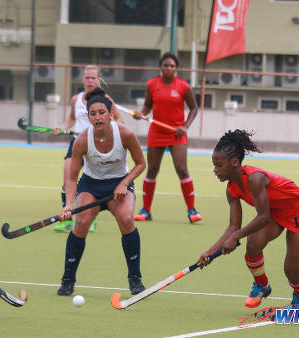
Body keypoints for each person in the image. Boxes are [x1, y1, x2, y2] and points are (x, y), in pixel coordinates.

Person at [198, 129, 299, 309]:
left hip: (298, 211)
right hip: (274, 211)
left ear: (234, 162)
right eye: (214, 165)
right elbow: (233, 226)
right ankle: (262, 285)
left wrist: (235, 237)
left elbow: (263, 218)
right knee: (252, 244)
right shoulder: (231, 190)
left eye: (219, 165)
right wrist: (210, 253)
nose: (215, 170)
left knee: (291, 269)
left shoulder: (254, 179)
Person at [56, 88, 146, 296]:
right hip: (91, 185)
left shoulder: (125, 134)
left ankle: (135, 278)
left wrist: (125, 183)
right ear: (88, 117)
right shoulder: (81, 141)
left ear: (110, 113)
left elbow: (141, 164)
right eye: (93, 114)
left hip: (119, 183)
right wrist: (69, 204)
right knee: (81, 222)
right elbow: (72, 177)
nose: (98, 117)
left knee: (126, 219)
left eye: (102, 112)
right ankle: (68, 280)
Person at [132, 51, 202, 223]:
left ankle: (192, 210)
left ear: (176, 68)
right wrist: (141, 113)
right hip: (156, 132)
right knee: (152, 170)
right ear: (160, 67)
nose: (168, 68)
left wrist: (185, 127)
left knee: (182, 169)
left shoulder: (183, 86)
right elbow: (148, 105)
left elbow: (194, 108)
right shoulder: (152, 84)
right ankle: (146, 211)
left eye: (172, 66)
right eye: (165, 65)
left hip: (176, 134)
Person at [52, 64, 123, 232]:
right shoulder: (76, 99)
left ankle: (91, 219)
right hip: (77, 143)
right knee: (67, 180)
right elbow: (70, 119)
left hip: (97, 145)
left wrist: (110, 128)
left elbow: (119, 120)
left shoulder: (106, 100)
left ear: (99, 80)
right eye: (87, 77)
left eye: (93, 78)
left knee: (93, 183)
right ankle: (67, 217)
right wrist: (62, 127)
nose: (90, 81)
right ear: (83, 79)